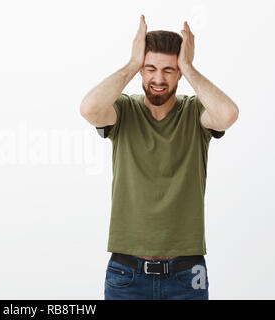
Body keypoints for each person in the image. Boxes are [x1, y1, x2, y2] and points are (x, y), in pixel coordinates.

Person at [79, 15, 239, 300]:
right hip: (126, 273)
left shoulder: (195, 113)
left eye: (169, 70)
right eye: (150, 68)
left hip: (188, 275)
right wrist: (131, 63)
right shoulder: (124, 110)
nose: (158, 79)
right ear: (141, 71)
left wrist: (189, 66)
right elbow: (89, 108)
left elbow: (227, 115)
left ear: (179, 74)